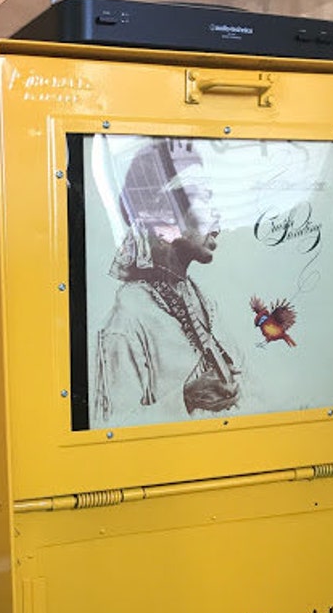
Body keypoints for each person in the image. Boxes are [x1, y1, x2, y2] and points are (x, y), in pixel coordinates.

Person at [93, 137, 240, 426]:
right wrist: (185, 400)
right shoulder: (129, 319)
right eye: (204, 201)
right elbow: (110, 430)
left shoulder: (204, 304)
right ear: (162, 218)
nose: (218, 225)